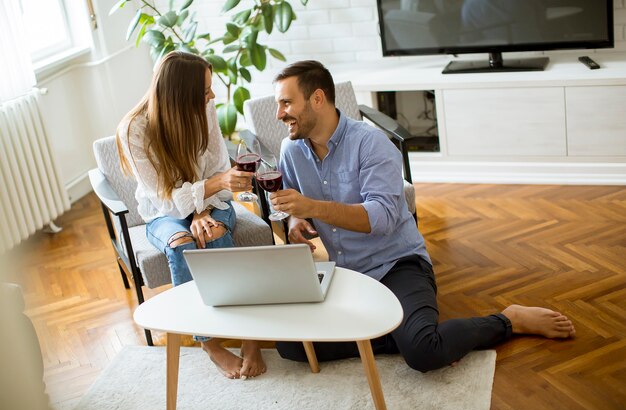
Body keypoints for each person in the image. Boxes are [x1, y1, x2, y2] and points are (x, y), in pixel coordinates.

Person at [268, 60, 576, 371]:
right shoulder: (291, 150)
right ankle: (393, 332)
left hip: (397, 265)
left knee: (424, 352)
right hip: (347, 274)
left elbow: (383, 217)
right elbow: (291, 196)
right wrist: (296, 219)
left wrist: (313, 207)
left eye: (286, 102)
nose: (280, 114)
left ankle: (508, 320)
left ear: (317, 99)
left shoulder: (370, 143)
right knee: (291, 345)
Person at [116, 51, 265, 379]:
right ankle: (208, 342)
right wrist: (204, 196)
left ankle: (250, 335)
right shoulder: (134, 130)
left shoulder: (205, 109)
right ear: (179, 96)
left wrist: (202, 209)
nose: (212, 97)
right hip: (162, 212)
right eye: (204, 91)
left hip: (211, 203)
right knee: (181, 240)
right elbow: (166, 200)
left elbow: (219, 169)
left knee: (212, 231)